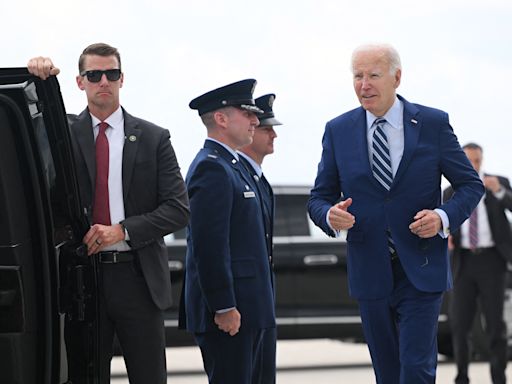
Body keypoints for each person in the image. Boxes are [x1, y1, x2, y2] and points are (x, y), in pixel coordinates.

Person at [307, 43, 484, 383]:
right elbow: (319, 197)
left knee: (416, 368)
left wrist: (442, 218)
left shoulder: (432, 123)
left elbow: (470, 185)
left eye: (373, 75)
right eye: (357, 76)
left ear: (397, 78)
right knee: (387, 372)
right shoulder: (338, 129)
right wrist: (330, 215)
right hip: (369, 268)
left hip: (421, 267)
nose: (364, 85)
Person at [27, 43, 190, 384]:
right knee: (86, 377)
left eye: (111, 74)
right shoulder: (63, 136)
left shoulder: (154, 138)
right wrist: (38, 76)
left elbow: (177, 210)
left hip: (138, 278)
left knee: (149, 378)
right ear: (79, 81)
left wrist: (122, 231)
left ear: (121, 79)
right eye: (94, 74)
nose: (104, 81)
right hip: (84, 280)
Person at [179, 79, 276, 384]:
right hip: (230, 312)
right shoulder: (212, 168)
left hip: (250, 307)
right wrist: (224, 306)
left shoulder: (232, 166)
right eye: (246, 113)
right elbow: (209, 246)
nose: (254, 120)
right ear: (221, 119)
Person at [443, 142, 512, 384]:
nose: (474, 165)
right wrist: (447, 236)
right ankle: (462, 376)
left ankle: (499, 377)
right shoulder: (451, 191)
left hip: (493, 261)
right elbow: (445, 222)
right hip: (463, 262)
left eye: (477, 161)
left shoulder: (498, 182)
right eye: (469, 161)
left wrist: (499, 192)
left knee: (495, 324)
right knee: (460, 323)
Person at [238, 93, 283, 384]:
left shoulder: (257, 179)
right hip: (241, 308)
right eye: (266, 128)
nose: (274, 134)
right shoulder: (228, 173)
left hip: (260, 305)